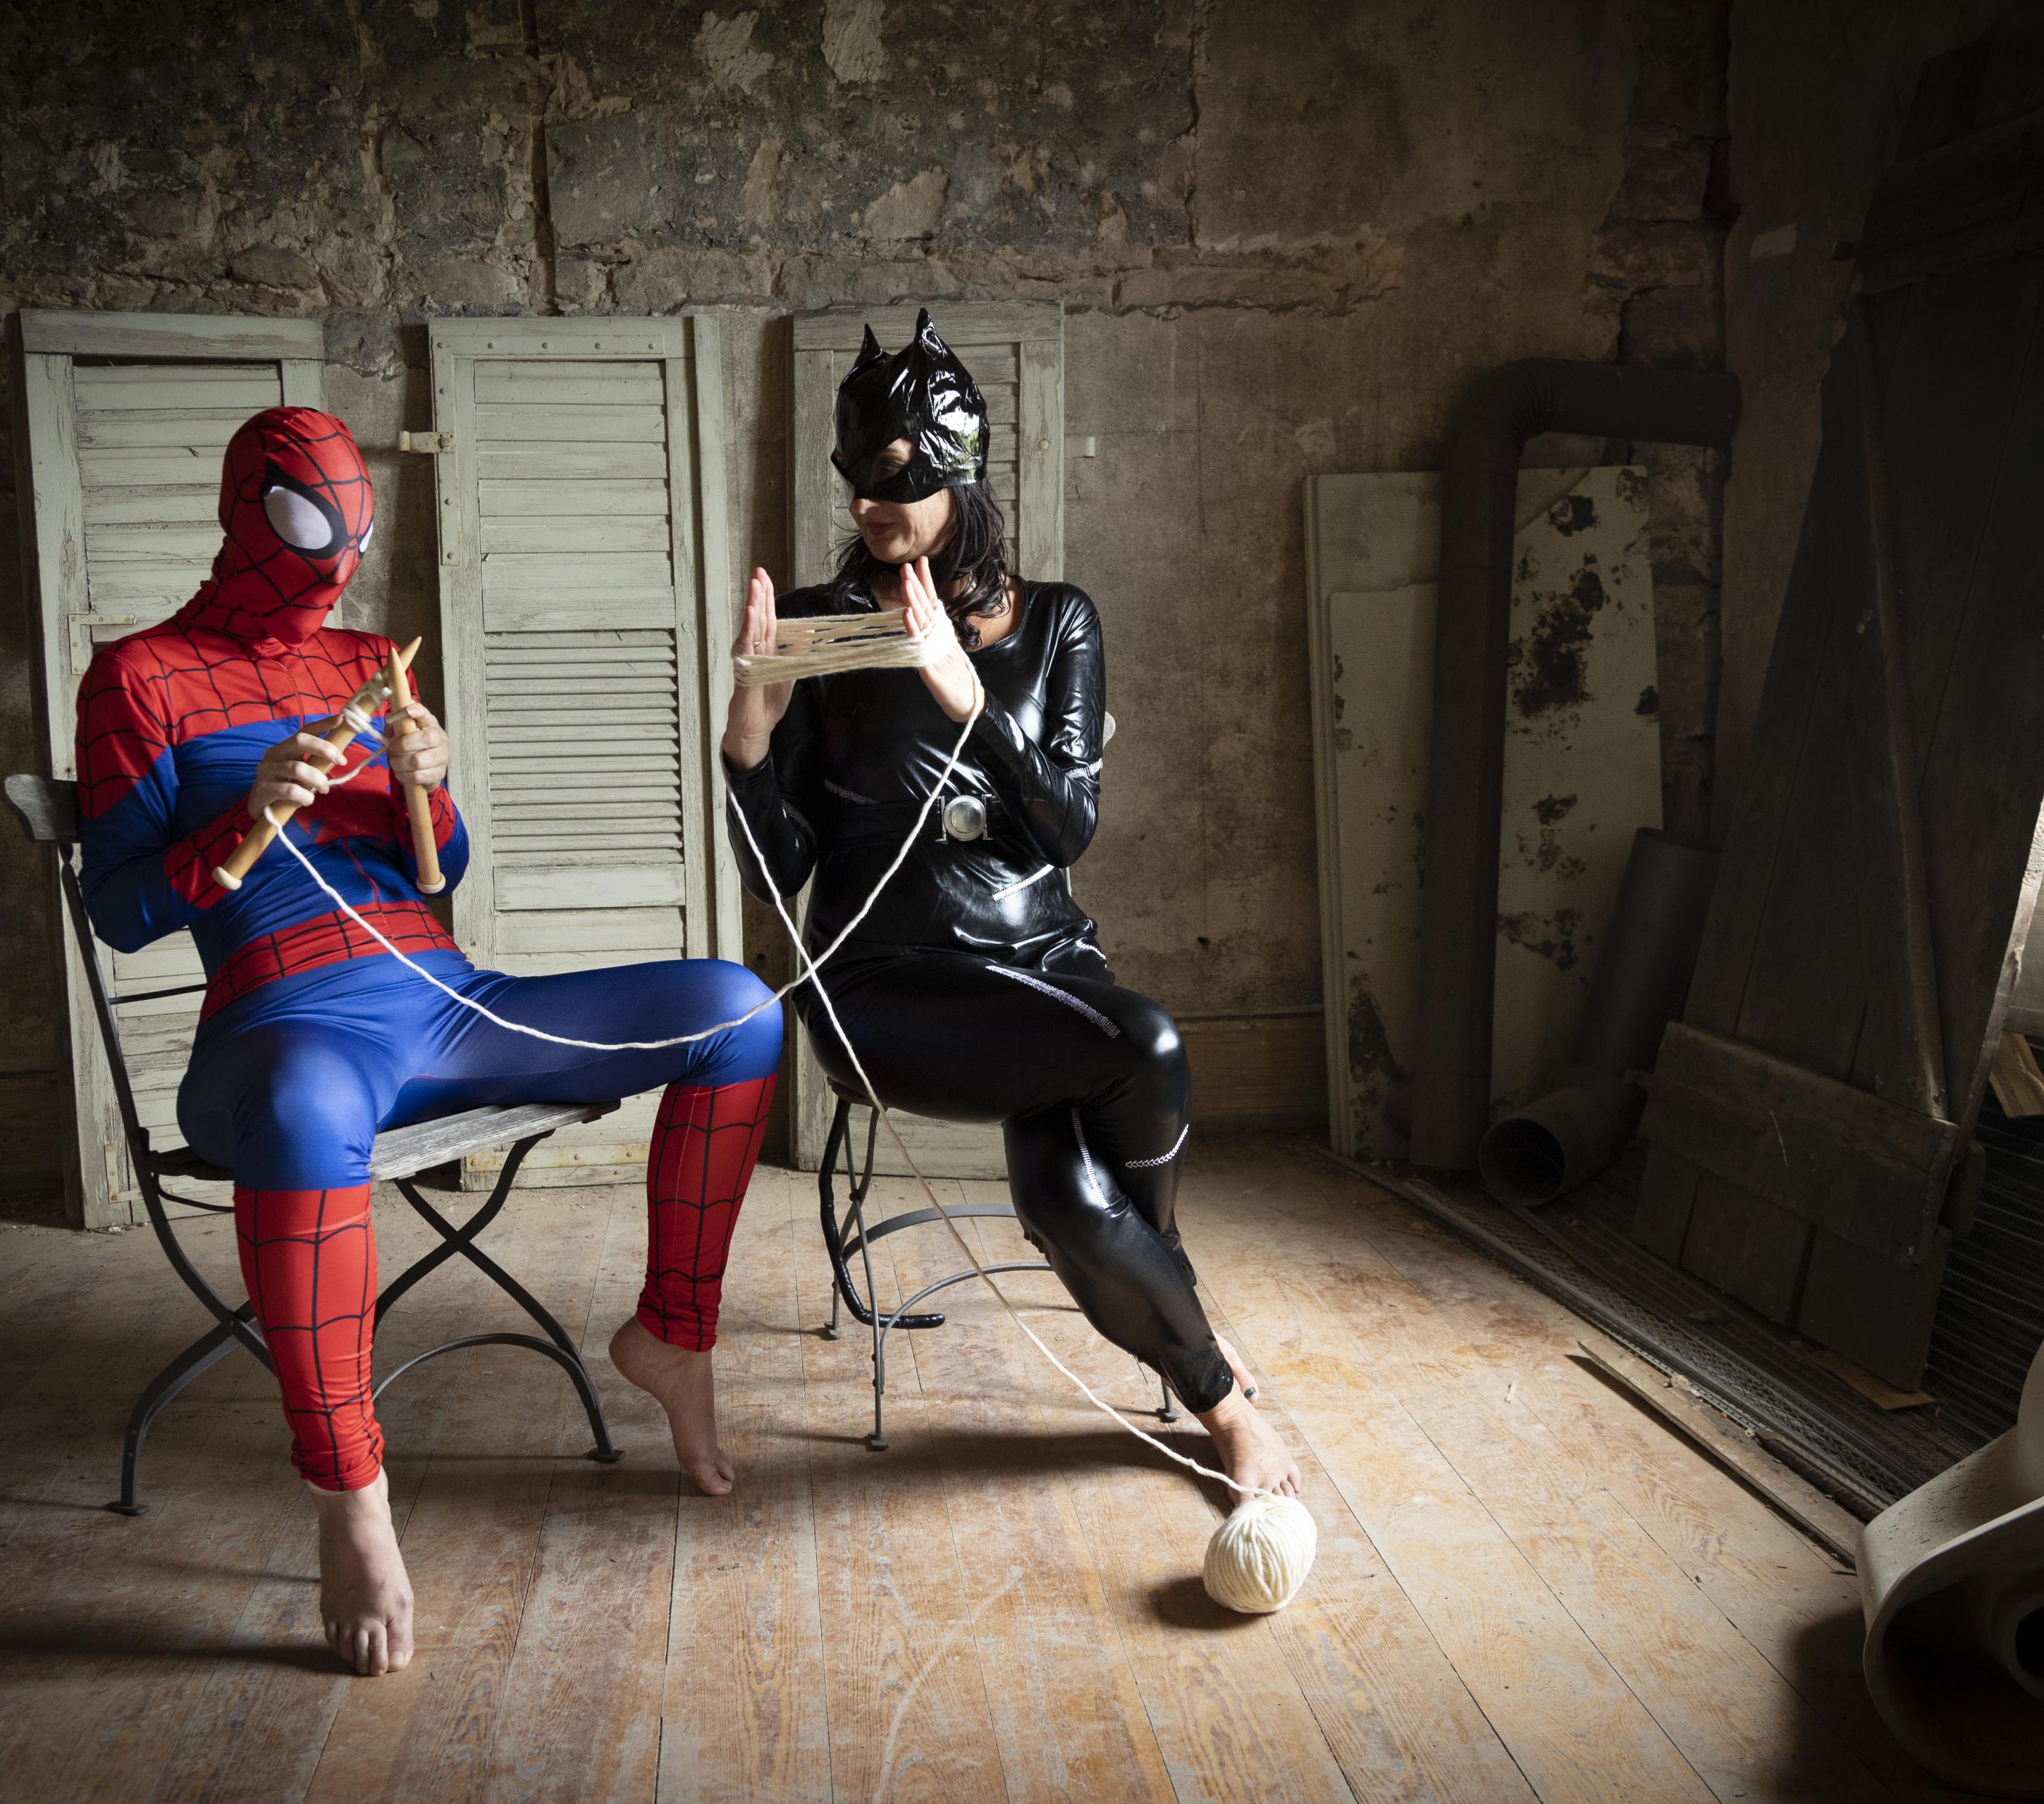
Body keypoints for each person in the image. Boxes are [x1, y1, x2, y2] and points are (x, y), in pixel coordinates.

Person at [73, 406, 780, 1677]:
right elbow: (119, 914)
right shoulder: (140, 677)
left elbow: (436, 870)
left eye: (350, 535)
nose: (334, 562)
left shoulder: (365, 659)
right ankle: (351, 1497)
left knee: (739, 1006)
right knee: (302, 1107)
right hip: (283, 1028)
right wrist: (241, 814)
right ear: (246, 512)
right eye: (308, 528)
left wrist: (426, 781)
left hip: (446, 1001)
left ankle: (673, 1334)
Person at [722, 314, 1299, 1500]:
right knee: (1142, 1052)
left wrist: (968, 701)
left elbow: (1066, 831)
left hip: (1043, 967)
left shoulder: (1057, 621)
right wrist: (749, 741)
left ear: (959, 471)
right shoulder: (824, 629)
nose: (869, 505)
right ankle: (1211, 1372)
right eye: (856, 478)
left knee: (1070, 1193)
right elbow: (777, 873)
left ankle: (1168, 1309)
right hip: (885, 987)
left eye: (898, 479)